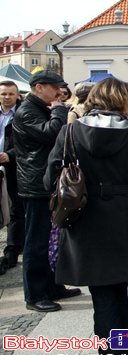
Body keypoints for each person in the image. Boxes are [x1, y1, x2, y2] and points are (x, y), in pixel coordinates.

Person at [44, 78, 128, 355]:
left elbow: (49, 180)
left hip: (85, 220)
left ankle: (110, 352)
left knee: (102, 294)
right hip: (123, 219)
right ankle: (117, 352)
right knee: (117, 290)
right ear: (124, 101)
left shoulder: (70, 131)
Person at [12, 70, 79, 312]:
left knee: (53, 240)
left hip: (46, 182)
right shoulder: (28, 111)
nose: (59, 92)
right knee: (37, 242)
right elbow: (54, 133)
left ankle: (51, 285)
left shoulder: (39, 108)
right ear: (39, 87)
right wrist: (60, 109)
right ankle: (35, 294)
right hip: (36, 186)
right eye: (54, 88)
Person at [0, 80, 23, 274]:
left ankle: (12, 252)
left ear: (17, 95)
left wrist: (11, 154)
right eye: (3, 94)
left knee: (15, 210)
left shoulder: (22, 114)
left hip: (14, 167)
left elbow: (27, 144)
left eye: (10, 94)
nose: (7, 97)